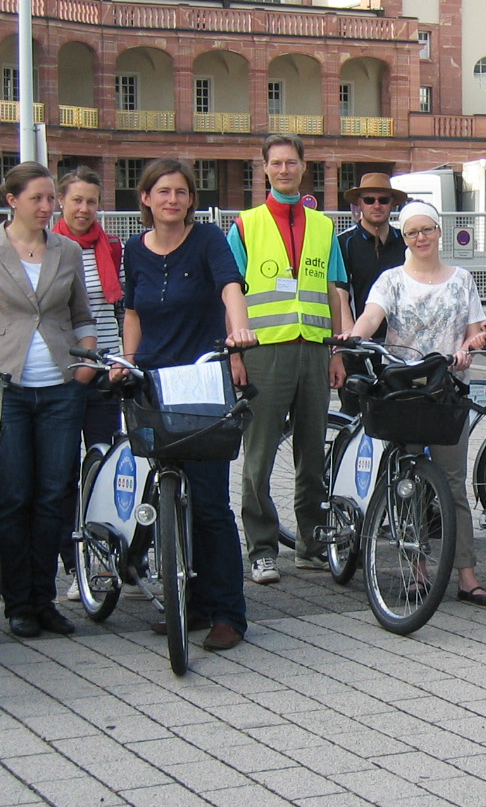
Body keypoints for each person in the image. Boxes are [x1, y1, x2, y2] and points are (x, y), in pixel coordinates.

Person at [0, 162, 96, 639]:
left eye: (52, 199)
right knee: (12, 497)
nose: (49, 207)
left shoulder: (67, 251)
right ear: (12, 200)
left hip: (60, 389)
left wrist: (87, 362)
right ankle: (17, 602)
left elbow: (82, 315)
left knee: (54, 495)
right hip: (4, 387)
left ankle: (43, 597)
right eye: (39, 199)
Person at [118, 158, 256, 651]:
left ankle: (227, 613)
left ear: (191, 199)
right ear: (146, 199)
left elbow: (230, 287)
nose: (172, 199)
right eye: (162, 191)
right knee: (169, 489)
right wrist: (127, 360)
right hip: (154, 381)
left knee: (212, 501)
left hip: (202, 377)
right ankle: (190, 601)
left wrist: (237, 335)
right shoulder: (134, 249)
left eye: (180, 192)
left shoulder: (208, 240)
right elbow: (132, 311)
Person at [347, 202, 486, 605]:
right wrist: (353, 337)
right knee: (408, 484)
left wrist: (472, 346)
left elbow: (473, 330)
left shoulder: (462, 279)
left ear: (439, 231)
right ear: (405, 237)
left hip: (448, 391)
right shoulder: (392, 280)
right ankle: (417, 571)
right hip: (405, 390)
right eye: (412, 232)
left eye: (426, 229)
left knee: (453, 484)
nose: (420, 238)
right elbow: (372, 316)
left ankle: (467, 575)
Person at [227, 134, 352, 584]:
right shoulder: (244, 225)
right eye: (276, 163)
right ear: (263, 169)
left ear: (304, 167)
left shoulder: (323, 227)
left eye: (291, 163)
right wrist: (236, 354)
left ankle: (311, 543)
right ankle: (261, 549)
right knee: (258, 455)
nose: (284, 170)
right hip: (265, 352)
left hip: (315, 352)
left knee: (312, 456)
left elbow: (337, 291)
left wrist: (337, 351)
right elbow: (231, 294)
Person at [53, 165, 131, 602]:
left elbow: (122, 310)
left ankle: (101, 553)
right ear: (61, 202)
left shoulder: (113, 250)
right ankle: (70, 560)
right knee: (61, 471)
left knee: (101, 465)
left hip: (104, 373)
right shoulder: (50, 249)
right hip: (62, 375)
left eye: (92, 201)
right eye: (76, 200)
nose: (84, 209)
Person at [339, 172, 409, 336]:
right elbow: (340, 293)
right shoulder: (343, 242)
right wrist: (351, 333)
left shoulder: (405, 242)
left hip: (402, 343)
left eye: (383, 200)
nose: (377, 205)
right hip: (361, 341)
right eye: (369, 200)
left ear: (392, 203)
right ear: (359, 203)